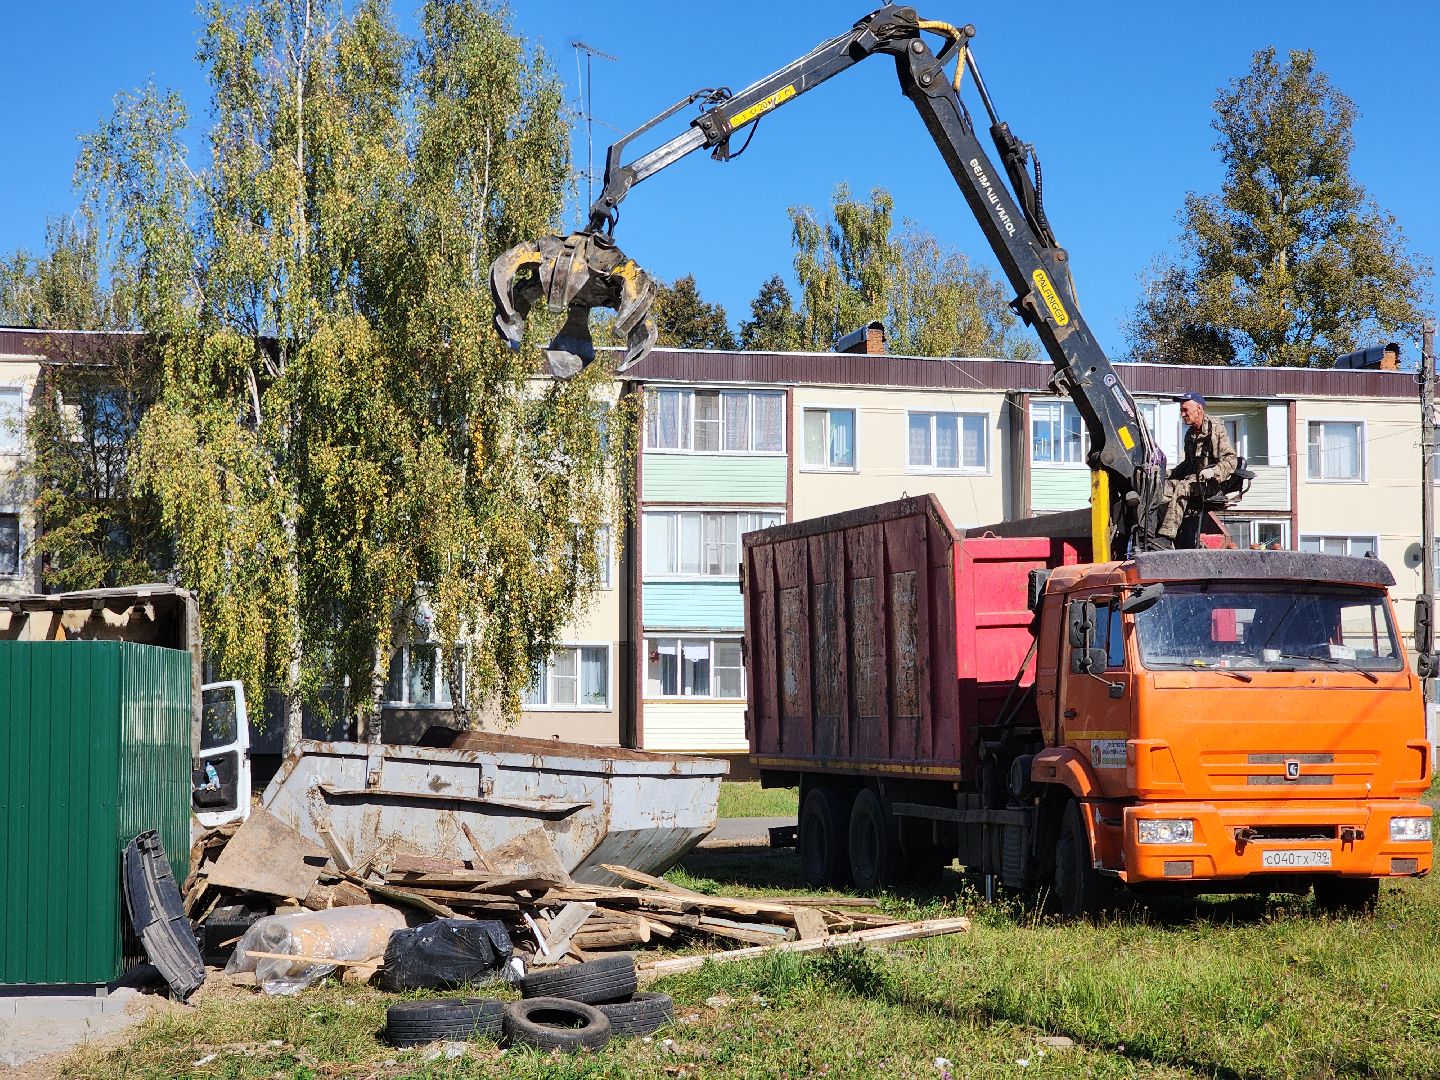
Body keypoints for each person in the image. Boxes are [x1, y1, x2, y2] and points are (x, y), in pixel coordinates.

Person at [1157, 392, 1238, 548]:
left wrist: (1213, 472)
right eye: (1181, 410)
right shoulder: (1190, 434)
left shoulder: (1216, 428)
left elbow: (1230, 460)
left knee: (1183, 487)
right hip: (1194, 481)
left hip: (1213, 484)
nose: (1182, 414)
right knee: (1160, 489)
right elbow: (1189, 464)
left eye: (1185, 410)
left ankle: (1167, 537)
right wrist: (1167, 474)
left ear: (1199, 409)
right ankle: (1152, 535)